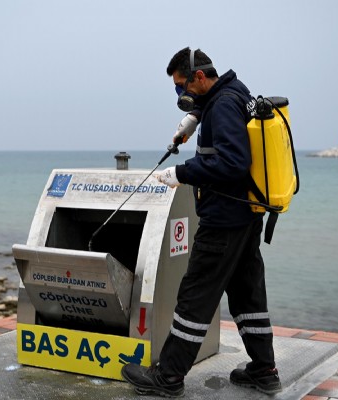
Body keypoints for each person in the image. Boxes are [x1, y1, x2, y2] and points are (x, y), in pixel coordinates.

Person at [120, 47, 281, 397]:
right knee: (247, 295)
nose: (181, 95)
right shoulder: (234, 93)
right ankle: (264, 370)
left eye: (182, 87)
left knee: (194, 298)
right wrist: (194, 120)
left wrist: (181, 172)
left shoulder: (222, 105)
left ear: (199, 77)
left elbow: (233, 164)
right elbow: (226, 130)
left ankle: (169, 377)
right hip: (246, 217)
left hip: (222, 221)